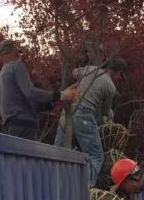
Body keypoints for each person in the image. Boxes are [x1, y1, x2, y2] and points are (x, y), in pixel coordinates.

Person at [54, 58, 127, 186]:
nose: (120, 79)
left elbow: (74, 72)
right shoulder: (110, 87)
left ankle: (54, 184)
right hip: (83, 117)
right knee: (96, 156)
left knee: (58, 153)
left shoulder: (92, 69)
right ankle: (87, 189)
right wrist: (110, 119)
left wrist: (86, 77)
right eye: (121, 75)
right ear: (117, 72)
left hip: (67, 114)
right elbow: (105, 113)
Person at [0, 39, 75, 141]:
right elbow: (30, 92)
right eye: (17, 53)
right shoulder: (16, 66)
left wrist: (51, 104)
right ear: (11, 52)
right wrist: (62, 95)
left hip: (11, 125)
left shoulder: (2, 73)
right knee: (26, 156)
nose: (19, 56)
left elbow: (23, 102)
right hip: (24, 125)